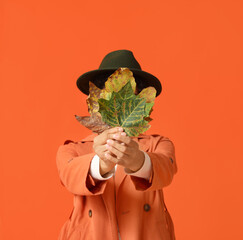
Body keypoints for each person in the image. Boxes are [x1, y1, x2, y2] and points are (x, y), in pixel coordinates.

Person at [56, 50, 177, 240]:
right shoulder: (73, 149)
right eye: (110, 95)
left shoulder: (158, 144)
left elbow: (166, 168)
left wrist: (138, 161)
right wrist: (101, 164)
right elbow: (69, 174)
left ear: (140, 103)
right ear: (96, 102)